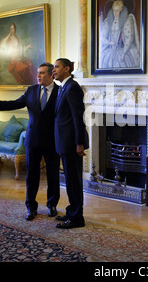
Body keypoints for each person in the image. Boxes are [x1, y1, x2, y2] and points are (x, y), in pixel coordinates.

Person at [0, 62, 60, 221]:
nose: (37, 76)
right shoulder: (31, 90)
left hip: (53, 140)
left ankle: (52, 205)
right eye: (37, 73)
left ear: (51, 74)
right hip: (33, 140)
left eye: (41, 73)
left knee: (53, 175)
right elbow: (15, 103)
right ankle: (31, 207)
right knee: (31, 176)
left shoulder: (60, 92)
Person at [52, 58, 89, 229]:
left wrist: (79, 143)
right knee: (70, 180)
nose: (54, 70)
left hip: (71, 144)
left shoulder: (73, 87)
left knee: (74, 181)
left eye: (57, 67)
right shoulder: (63, 87)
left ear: (67, 69)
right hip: (64, 142)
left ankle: (76, 219)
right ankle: (72, 210)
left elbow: (78, 118)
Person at [99, 0, 140, 69]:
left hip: (122, 49)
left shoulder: (127, 20)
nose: (115, 13)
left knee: (123, 62)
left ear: (120, 10)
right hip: (110, 50)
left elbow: (129, 39)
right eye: (114, 11)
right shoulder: (108, 21)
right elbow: (102, 37)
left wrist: (124, 53)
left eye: (117, 11)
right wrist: (109, 42)